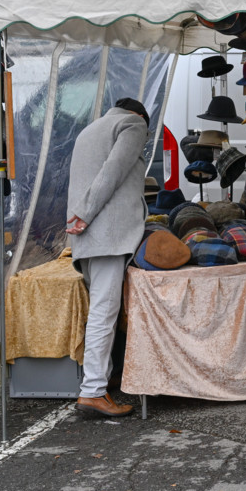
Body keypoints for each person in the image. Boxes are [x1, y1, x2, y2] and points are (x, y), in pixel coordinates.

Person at [67, 97, 150, 417]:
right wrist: (85, 214)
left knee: (102, 311)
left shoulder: (89, 130)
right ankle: (92, 392)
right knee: (104, 312)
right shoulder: (132, 124)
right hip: (107, 234)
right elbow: (113, 171)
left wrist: (79, 217)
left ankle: (104, 377)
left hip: (88, 237)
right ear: (140, 116)